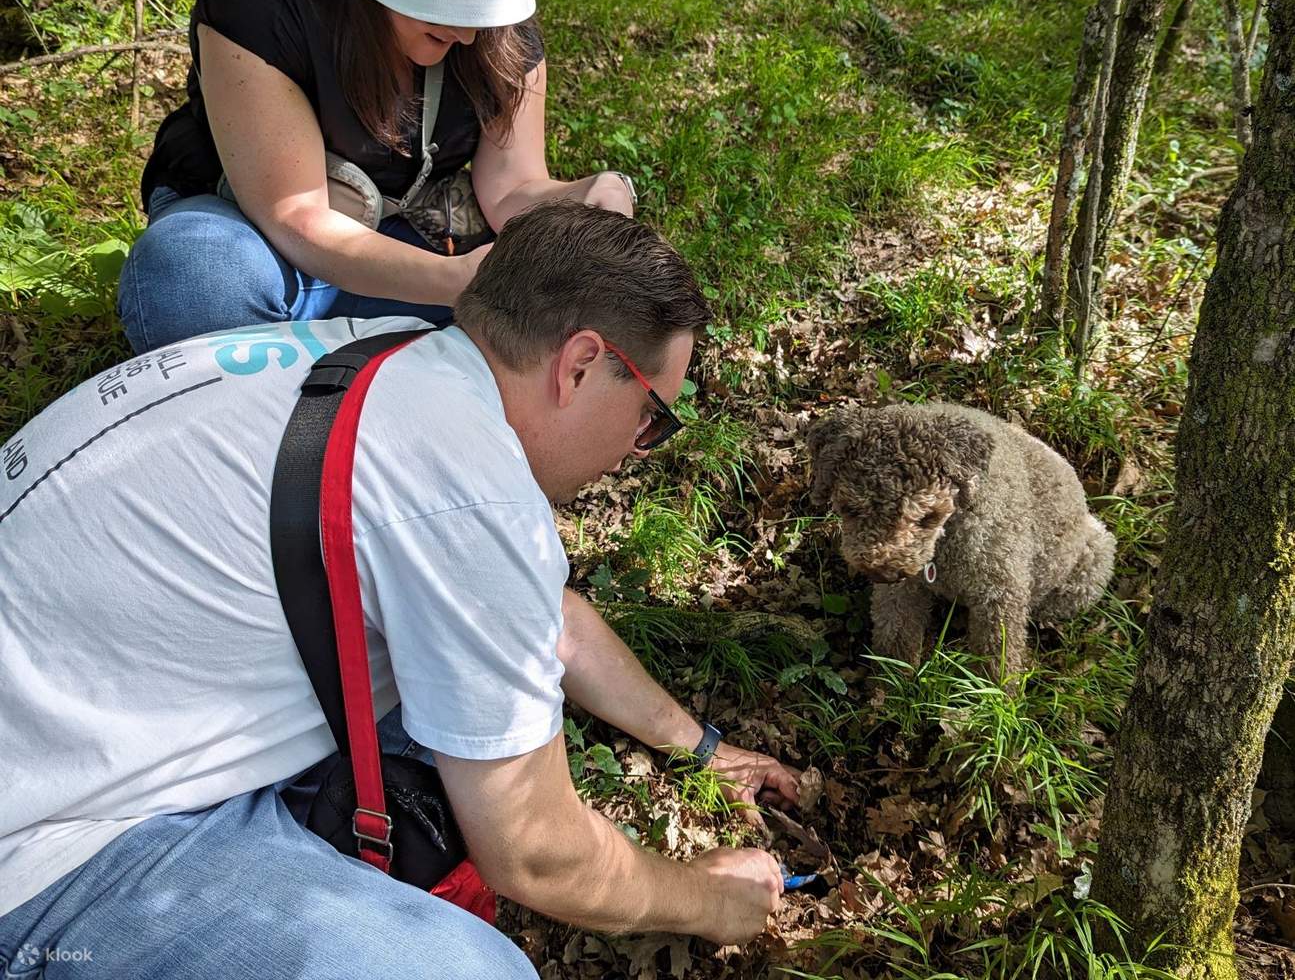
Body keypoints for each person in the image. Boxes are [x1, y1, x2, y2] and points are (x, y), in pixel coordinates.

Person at [0, 204, 801, 978]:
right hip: (48, 840)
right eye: (651, 417)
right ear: (582, 364)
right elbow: (535, 852)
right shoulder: (467, 489)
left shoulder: (387, 357)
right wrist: (708, 899)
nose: (638, 448)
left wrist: (701, 747)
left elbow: (543, 622)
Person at [117, 0, 636, 355]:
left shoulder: (501, 36)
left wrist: (584, 198)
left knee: (567, 310)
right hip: (263, 244)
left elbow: (511, 188)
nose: (469, 33)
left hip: (413, 249)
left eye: (479, 4)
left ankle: (315, 358)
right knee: (194, 279)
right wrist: (460, 283)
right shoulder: (263, 0)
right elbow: (296, 216)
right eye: (444, 2)